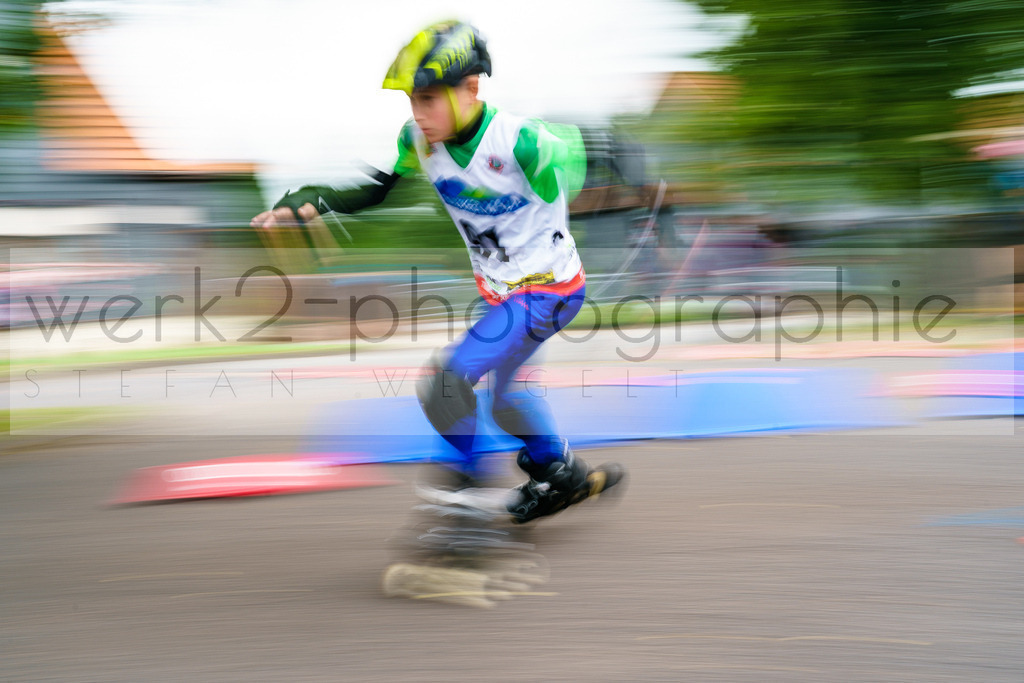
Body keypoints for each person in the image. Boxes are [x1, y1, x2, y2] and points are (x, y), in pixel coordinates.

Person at [251, 20, 623, 524]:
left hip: (548, 292)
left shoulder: (522, 142)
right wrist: (311, 199)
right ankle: (559, 473)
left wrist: (614, 163)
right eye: (411, 100)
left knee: (447, 383)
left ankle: (466, 495)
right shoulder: (419, 142)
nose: (418, 113)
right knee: (507, 400)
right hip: (504, 295)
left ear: (471, 88)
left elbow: (580, 155)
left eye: (428, 99)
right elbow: (379, 189)